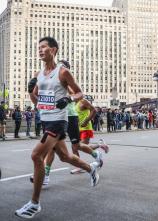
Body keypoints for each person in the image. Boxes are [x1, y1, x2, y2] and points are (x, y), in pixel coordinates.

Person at [15, 37, 99, 219]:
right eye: (38, 47)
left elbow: (79, 92)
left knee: (36, 155)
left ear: (53, 50)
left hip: (58, 121)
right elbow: (36, 102)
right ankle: (91, 168)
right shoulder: (39, 74)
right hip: (46, 119)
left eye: (43, 47)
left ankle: (34, 204)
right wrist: (31, 92)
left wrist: (68, 99)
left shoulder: (63, 72)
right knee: (65, 156)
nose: (40, 50)